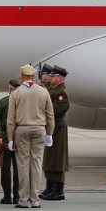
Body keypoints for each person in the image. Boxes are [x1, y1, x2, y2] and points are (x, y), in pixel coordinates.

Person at [7, 64, 54, 209]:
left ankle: (23, 199)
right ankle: (35, 199)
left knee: (23, 165)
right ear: (33, 76)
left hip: (22, 129)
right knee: (37, 164)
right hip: (39, 129)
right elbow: (50, 115)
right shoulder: (43, 92)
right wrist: (49, 133)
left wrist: (10, 137)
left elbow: (11, 118)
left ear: (21, 76)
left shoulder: (16, 93)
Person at [0, 78, 21, 204]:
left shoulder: (4, 102)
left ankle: (7, 196)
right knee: (19, 168)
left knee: (5, 167)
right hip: (20, 137)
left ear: (10, 89)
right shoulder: (23, 101)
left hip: (6, 138)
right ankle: (17, 196)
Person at [40, 65, 70, 201]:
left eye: (52, 76)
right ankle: (50, 187)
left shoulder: (61, 93)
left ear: (59, 78)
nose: (50, 78)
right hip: (52, 127)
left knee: (57, 159)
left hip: (58, 127)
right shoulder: (52, 90)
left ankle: (58, 190)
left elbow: (55, 111)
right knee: (50, 158)